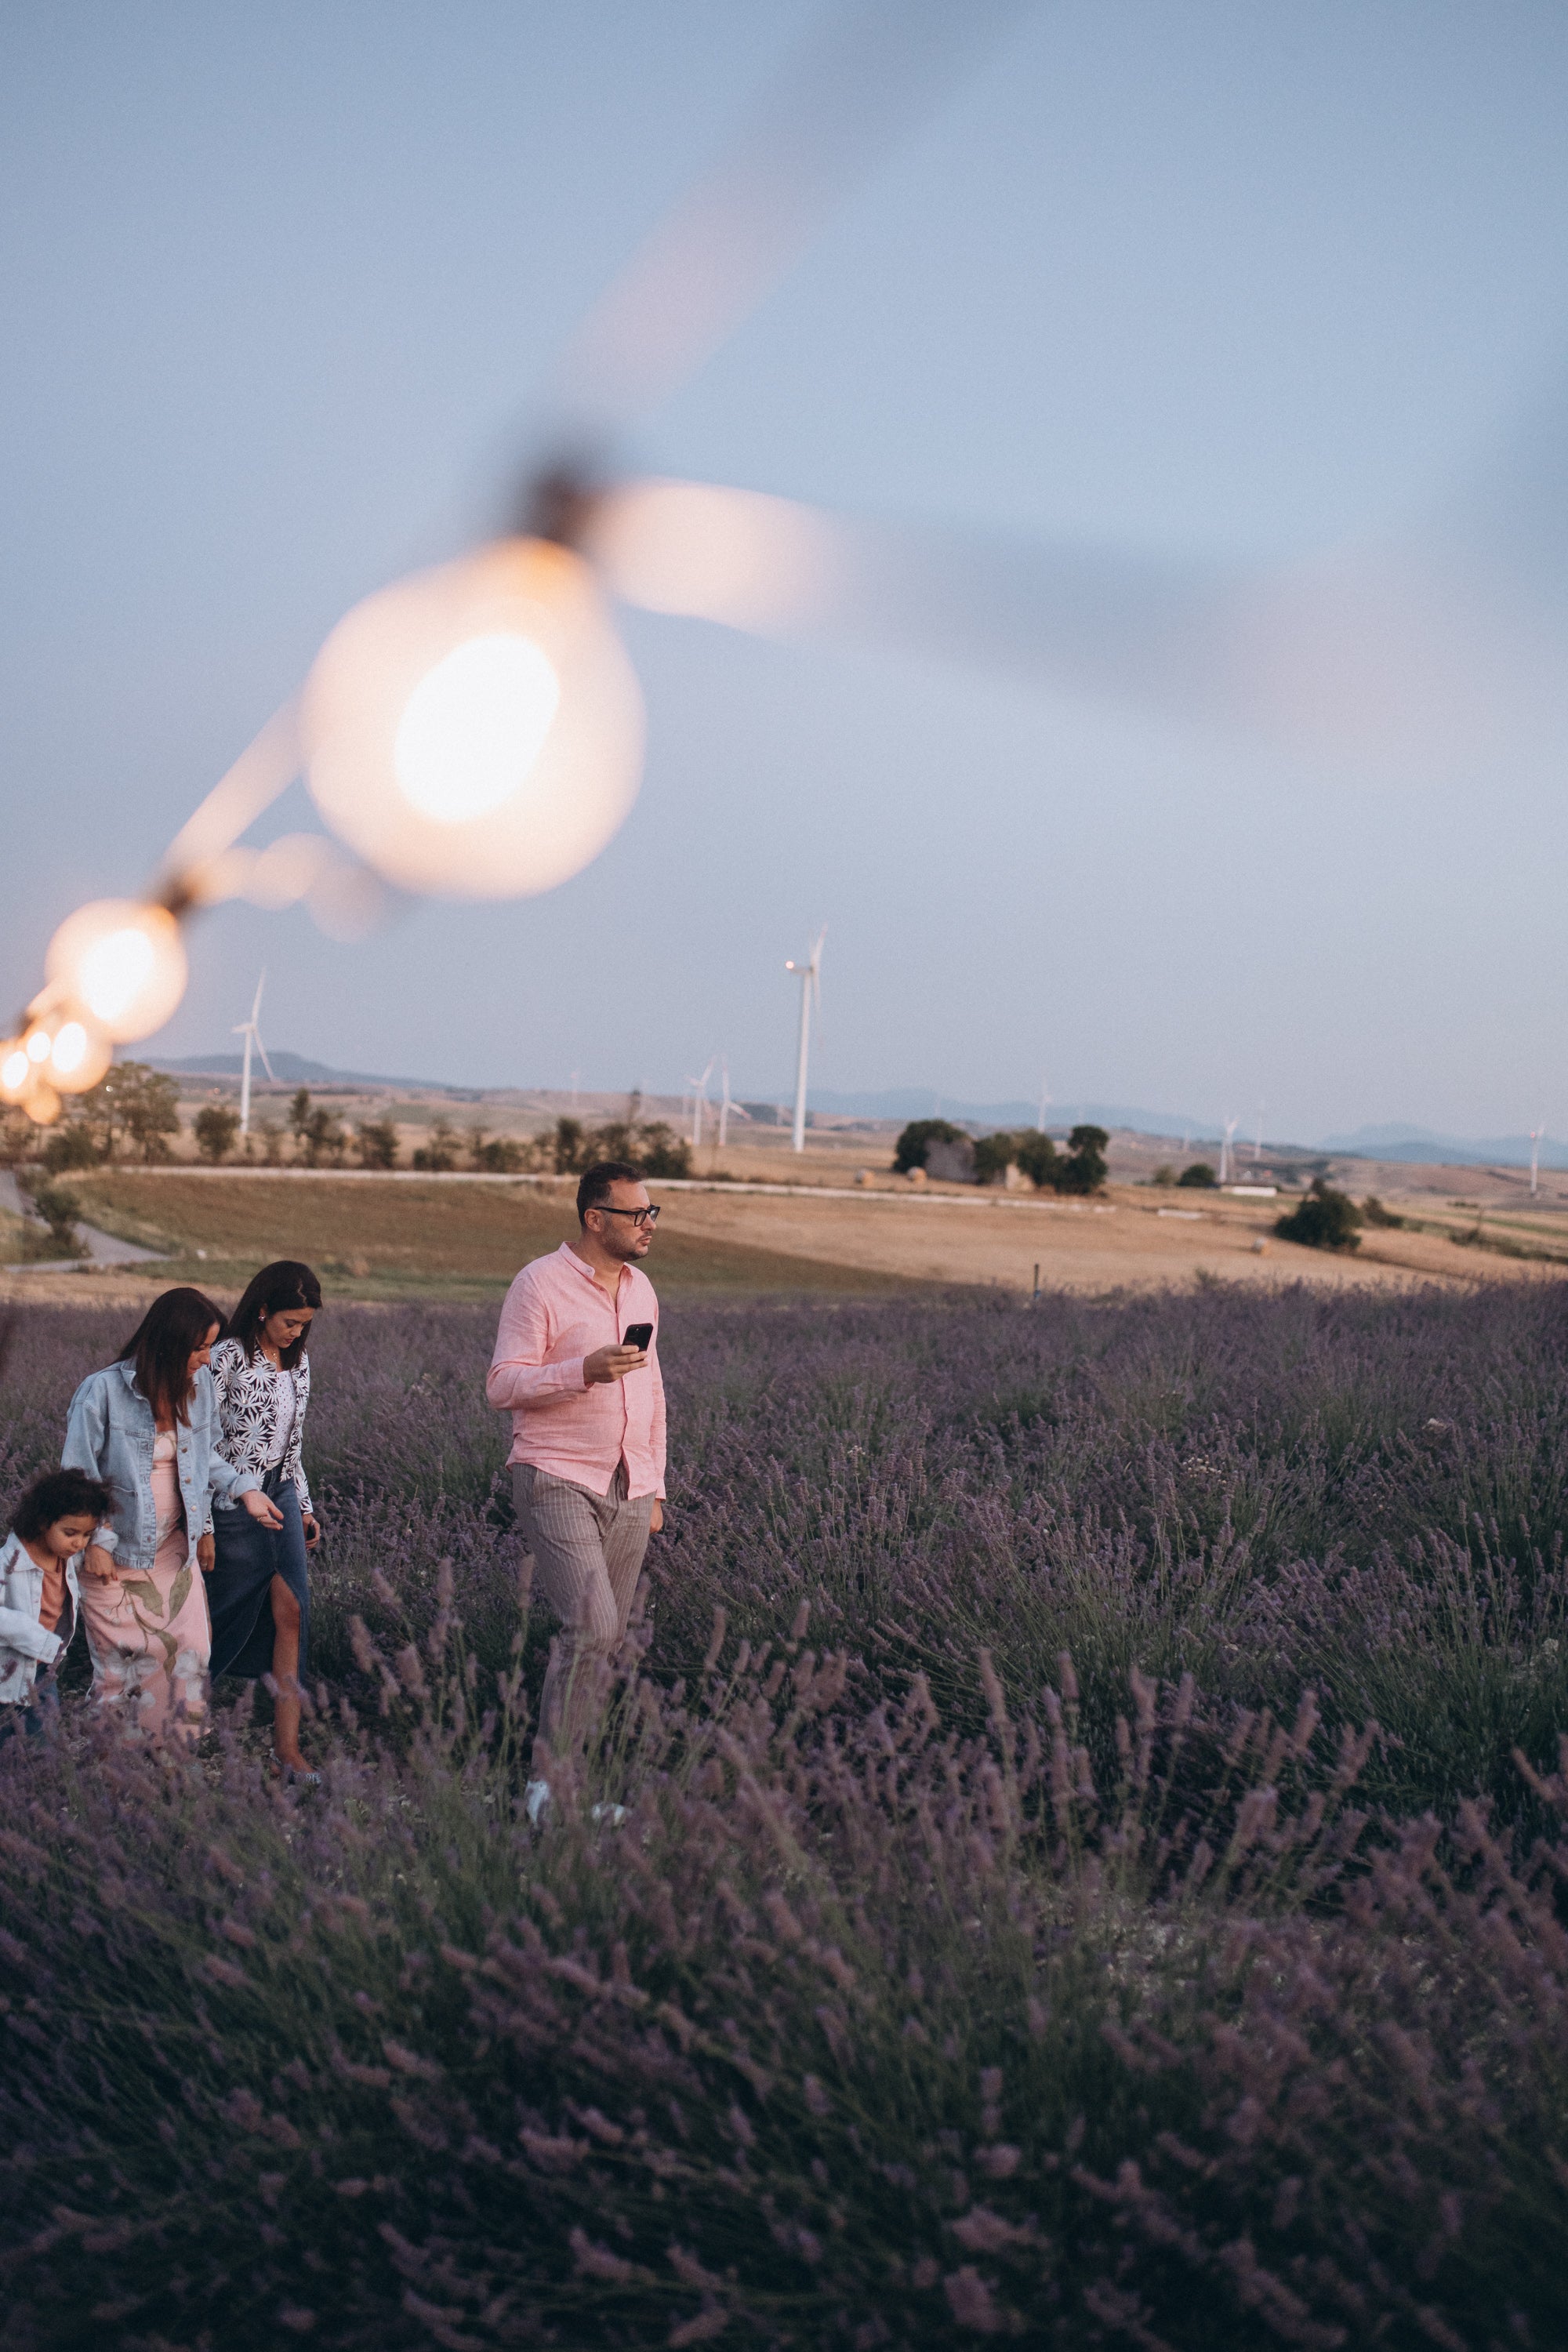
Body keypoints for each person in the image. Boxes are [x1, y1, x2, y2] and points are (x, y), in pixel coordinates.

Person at [486, 1158, 666, 1823]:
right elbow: (502, 1384)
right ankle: (545, 1790)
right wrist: (580, 1371)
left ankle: (569, 1785)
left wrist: (656, 1483)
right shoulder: (539, 1284)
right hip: (555, 1472)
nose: (649, 1224)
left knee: (606, 1640)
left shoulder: (642, 1289)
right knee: (592, 1626)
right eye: (635, 1213)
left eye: (653, 1212)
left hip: (630, 1484)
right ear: (596, 1219)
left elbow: (651, 1387)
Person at [62, 1287, 282, 1742]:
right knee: (122, 1670)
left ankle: (173, 1756)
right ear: (168, 1342)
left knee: (190, 1654)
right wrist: (98, 1542)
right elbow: (76, 1478)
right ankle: (111, 1764)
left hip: (171, 1552)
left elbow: (207, 1459)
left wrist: (245, 1492)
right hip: (113, 1558)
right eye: (200, 1347)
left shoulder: (198, 1389)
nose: (207, 1359)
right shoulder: (100, 1392)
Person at [207, 1261, 323, 1782]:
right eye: (290, 1322)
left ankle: (288, 1750)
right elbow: (201, 1443)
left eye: (304, 1324)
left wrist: (304, 1505)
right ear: (262, 1309)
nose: (297, 1332)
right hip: (230, 1502)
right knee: (218, 1619)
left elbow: (292, 1445)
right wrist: (209, 1519)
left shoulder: (298, 1363)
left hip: (279, 1493)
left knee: (292, 1613)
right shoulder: (226, 1358)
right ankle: (171, 1725)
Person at [0, 1468, 114, 1729]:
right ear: (43, 1522)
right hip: (8, 1670)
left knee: (44, 1739)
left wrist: (101, 1547)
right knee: (13, 1740)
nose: (79, 1544)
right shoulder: (9, 1564)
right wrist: (39, 1641)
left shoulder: (66, 1557)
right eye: (70, 1533)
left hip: (42, 1670)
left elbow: (103, 1531)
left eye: (86, 1535)